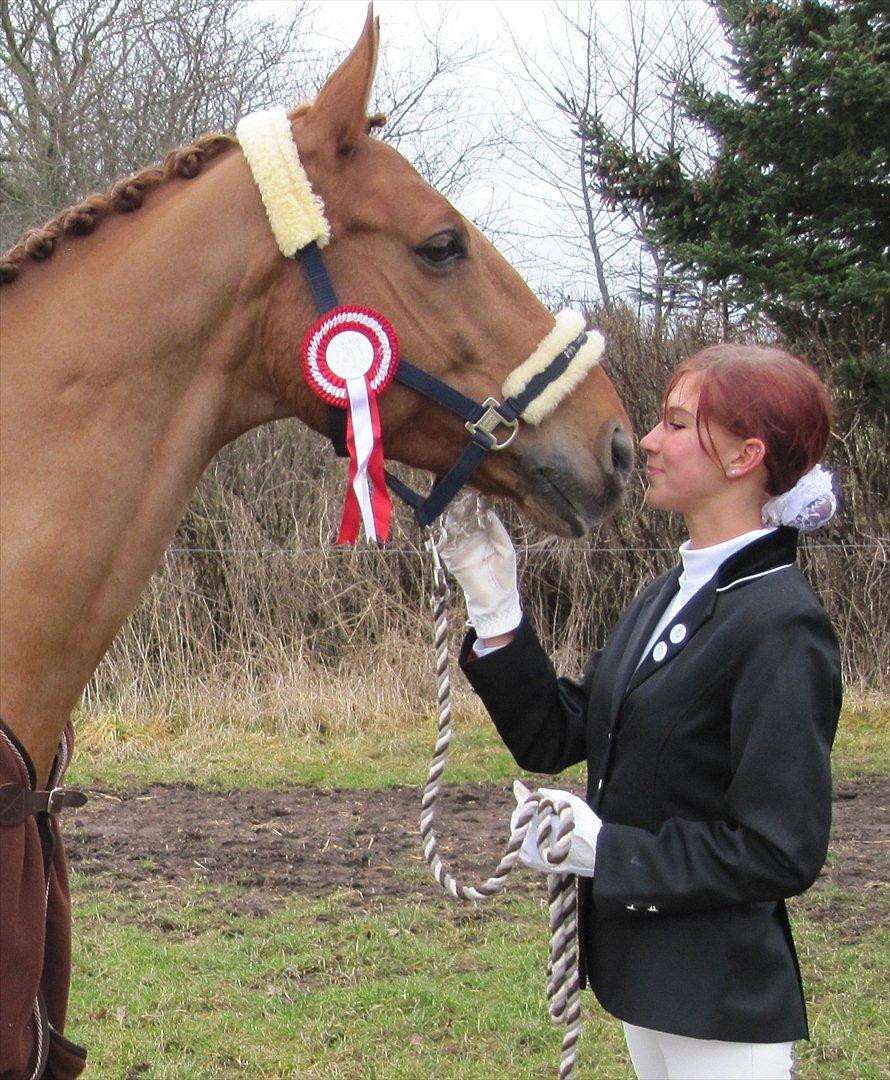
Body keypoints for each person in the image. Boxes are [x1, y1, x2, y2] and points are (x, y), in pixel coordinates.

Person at [439, 343, 842, 1080]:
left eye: (678, 424)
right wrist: (496, 607)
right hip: (648, 982)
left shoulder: (782, 622)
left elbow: (781, 848)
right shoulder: (670, 592)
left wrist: (607, 852)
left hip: (719, 997)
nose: (650, 441)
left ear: (745, 455)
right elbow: (558, 732)